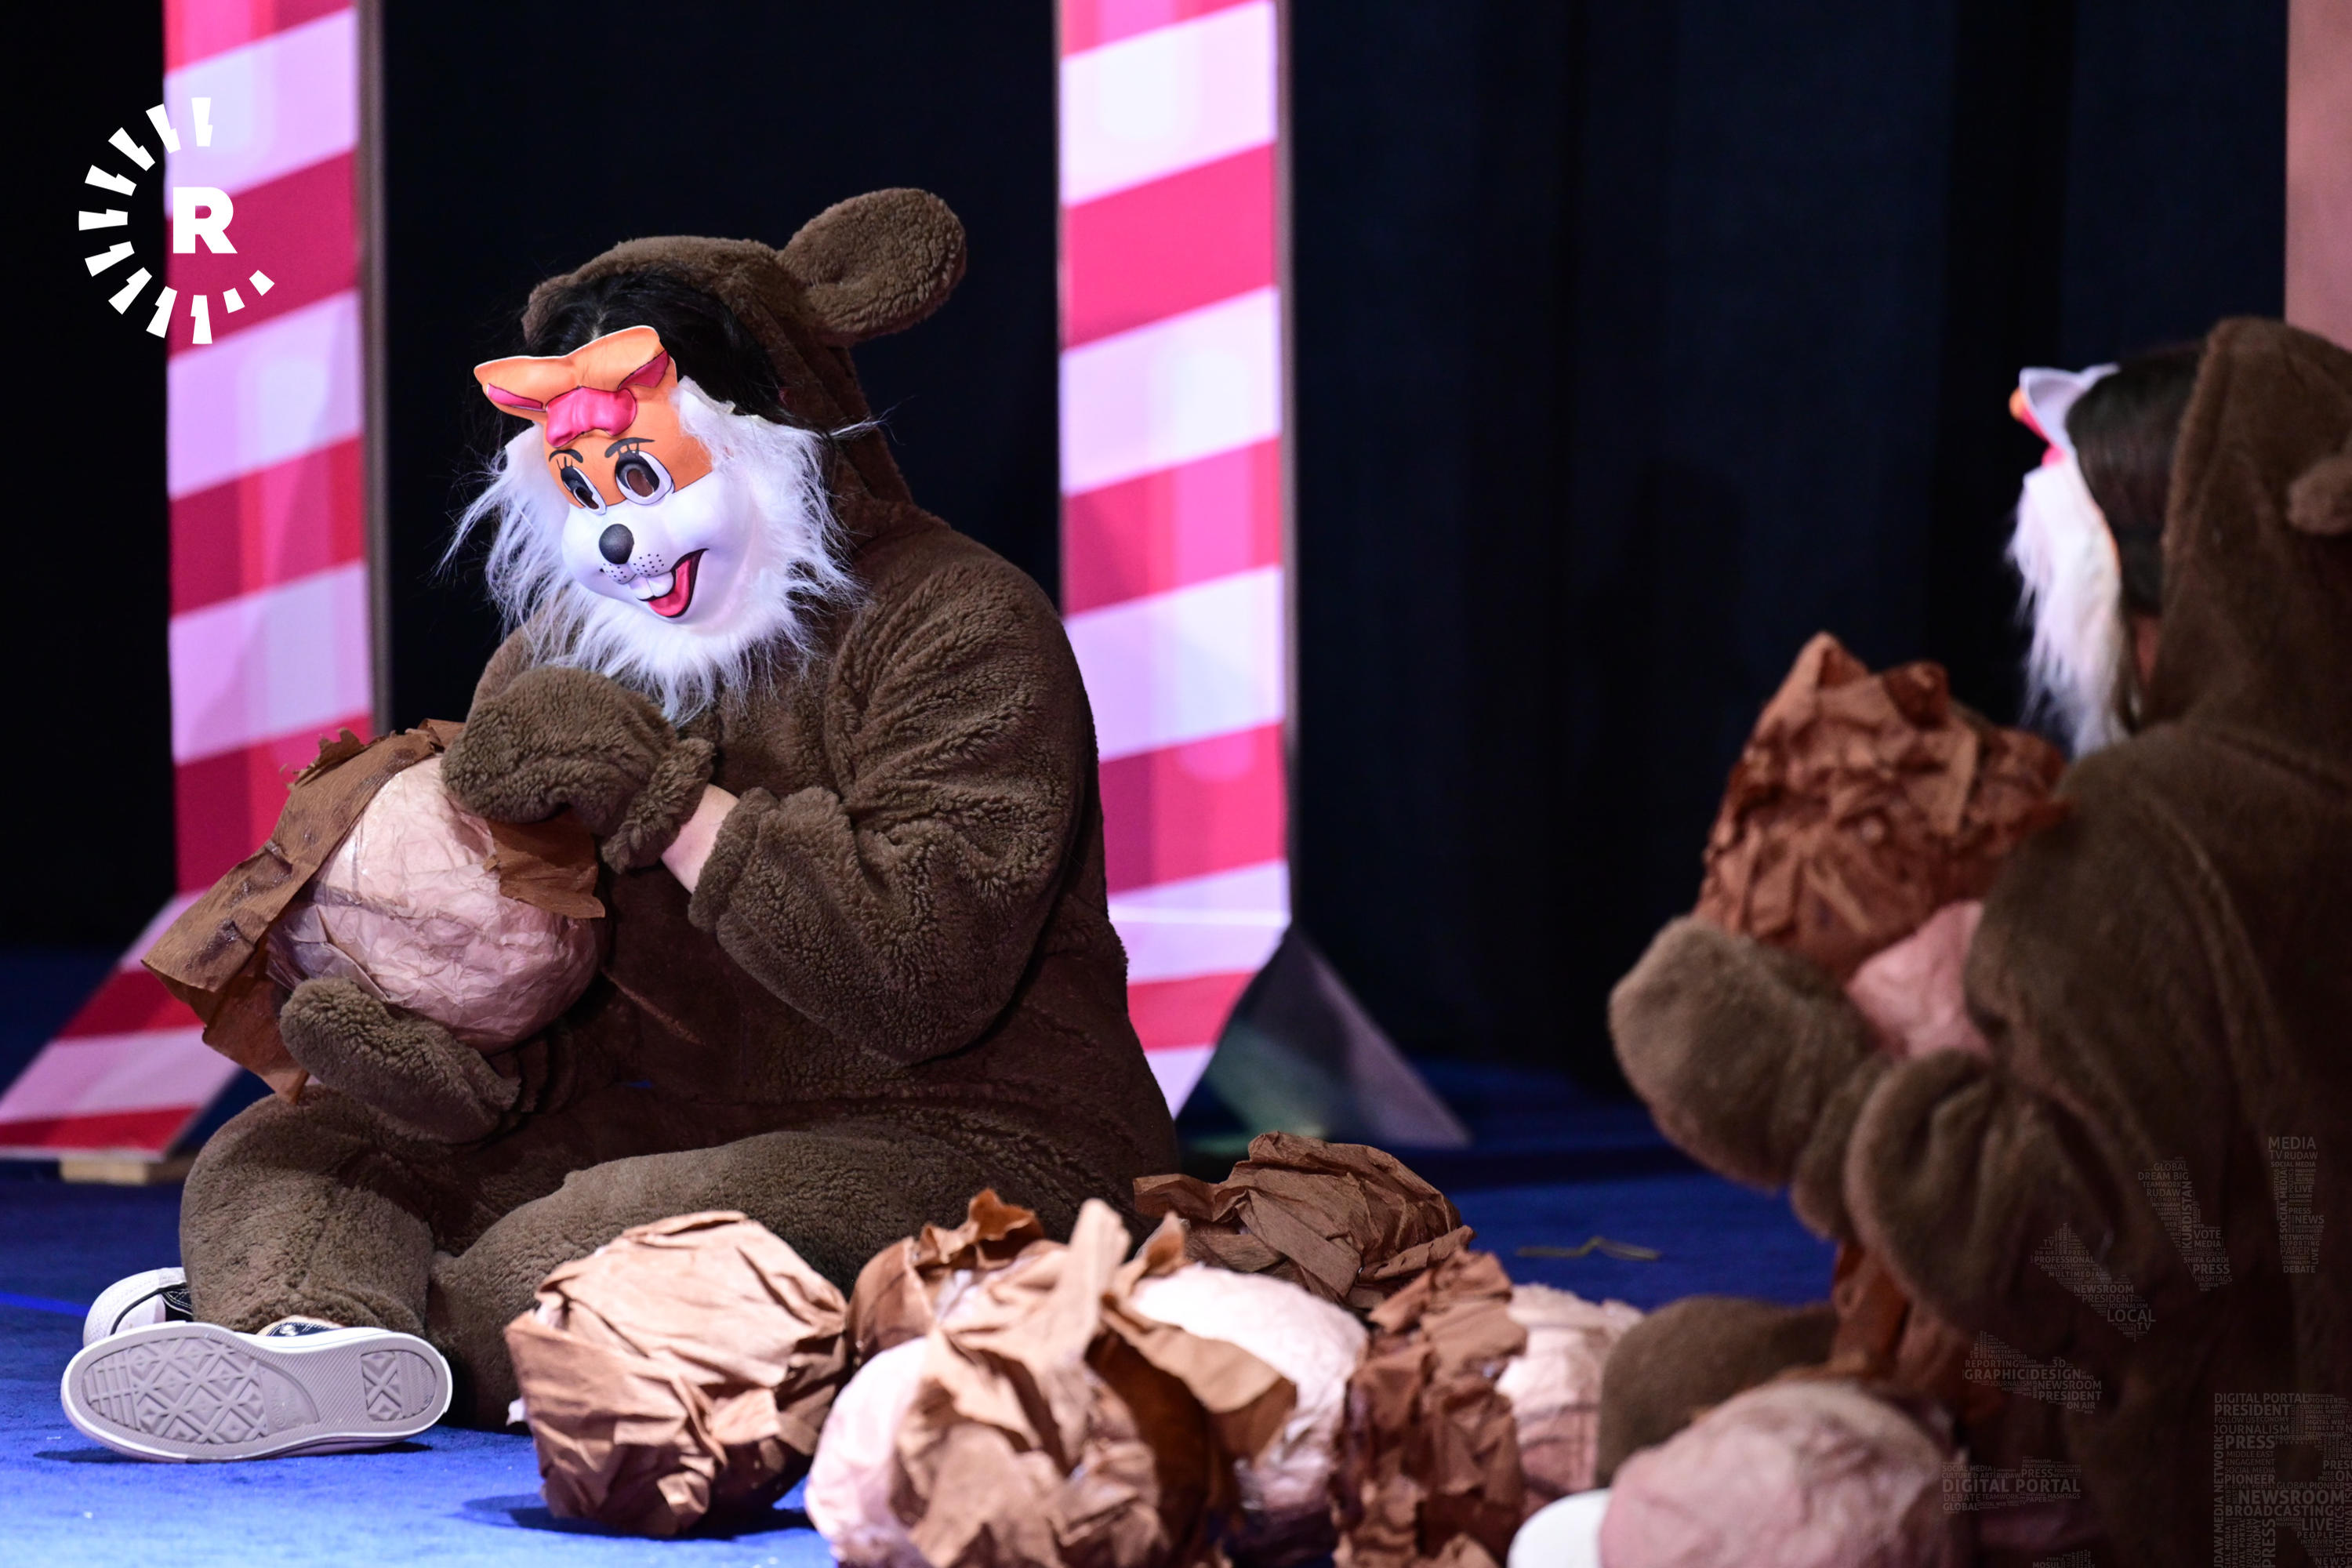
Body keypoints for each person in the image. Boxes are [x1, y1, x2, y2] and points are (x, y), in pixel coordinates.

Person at [62, 191, 1178, 1462]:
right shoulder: (564, 648)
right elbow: (555, 975)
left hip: (973, 1134)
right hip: (681, 1113)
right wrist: (453, 1066)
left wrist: (669, 802)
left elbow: (921, 980)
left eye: (641, 474)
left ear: (775, 441)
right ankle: (307, 1334)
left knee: (570, 1251)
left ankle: (335, 1312)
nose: (613, 531)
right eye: (579, 482)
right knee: (288, 1156)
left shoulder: (958, 619)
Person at [1604, 318, 2352, 1566]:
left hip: (2221, 1496)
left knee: (1666, 1392)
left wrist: (1812, 1092)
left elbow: (2084, 1260)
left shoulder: (2152, 832)